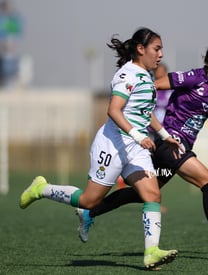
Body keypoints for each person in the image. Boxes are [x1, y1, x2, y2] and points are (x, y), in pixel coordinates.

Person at [77, 42, 208, 259]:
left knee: (143, 194)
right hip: (169, 145)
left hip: (178, 148)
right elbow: (154, 86)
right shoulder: (192, 77)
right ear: (207, 62)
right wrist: (134, 104)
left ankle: (90, 211)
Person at [19, 27, 183, 270]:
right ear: (141, 49)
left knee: (152, 195)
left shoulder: (147, 76)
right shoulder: (127, 75)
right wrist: (138, 136)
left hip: (135, 149)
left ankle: (151, 252)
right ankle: (42, 188)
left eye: (161, 49)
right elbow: (113, 111)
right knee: (89, 201)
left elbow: (145, 113)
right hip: (113, 144)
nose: (160, 54)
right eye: (156, 49)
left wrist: (165, 136)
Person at [0, 0, 23, 88]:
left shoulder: (14, 20)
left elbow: (16, 33)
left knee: (11, 64)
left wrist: (11, 44)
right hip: (2, 51)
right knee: (3, 64)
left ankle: (11, 81)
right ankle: (2, 82)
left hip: (12, 51)